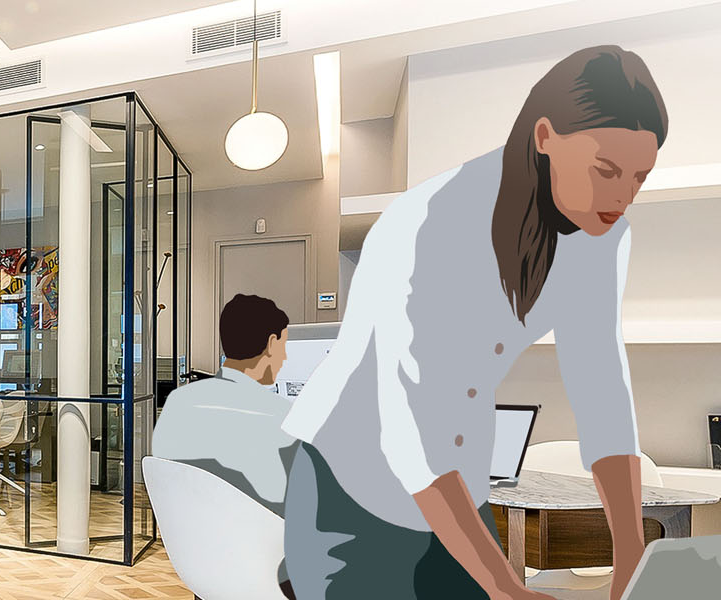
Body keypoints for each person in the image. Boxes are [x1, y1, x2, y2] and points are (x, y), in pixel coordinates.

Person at [280, 46, 665, 600]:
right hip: (350, 480)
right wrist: (505, 587)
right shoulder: (431, 223)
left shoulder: (603, 236)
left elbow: (601, 386)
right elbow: (412, 427)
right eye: (605, 170)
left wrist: (631, 557)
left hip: (458, 483)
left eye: (639, 177)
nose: (622, 196)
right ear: (545, 136)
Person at [152, 294, 297, 597]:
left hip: (197, 565)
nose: (284, 358)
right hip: (264, 573)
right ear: (271, 344)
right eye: (283, 346)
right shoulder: (281, 418)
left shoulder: (177, 404)